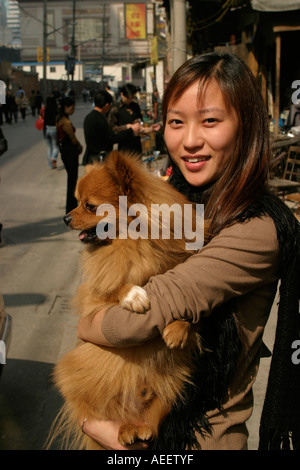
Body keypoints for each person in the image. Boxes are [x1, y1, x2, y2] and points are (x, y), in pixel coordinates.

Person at [76, 53, 300, 450]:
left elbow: (136, 322)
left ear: (245, 127)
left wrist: (87, 323)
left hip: (198, 439)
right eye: (177, 122)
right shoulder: (176, 203)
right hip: (135, 423)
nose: (190, 139)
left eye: (210, 121)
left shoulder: (258, 228)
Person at [82, 90, 141, 165]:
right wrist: (130, 130)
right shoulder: (100, 119)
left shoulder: (89, 117)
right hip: (100, 160)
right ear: (107, 105)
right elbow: (113, 138)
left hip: (90, 158)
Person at [109, 83, 160, 155]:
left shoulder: (135, 106)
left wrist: (150, 129)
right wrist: (129, 126)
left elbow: (140, 125)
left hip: (136, 145)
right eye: (128, 98)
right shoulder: (116, 109)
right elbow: (113, 128)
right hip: (124, 146)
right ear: (122, 95)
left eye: (132, 97)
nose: (130, 100)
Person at [56, 97, 83, 213]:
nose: (73, 110)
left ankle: (71, 206)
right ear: (67, 107)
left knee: (71, 181)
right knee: (72, 181)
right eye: (72, 107)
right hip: (70, 153)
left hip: (65, 153)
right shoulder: (66, 122)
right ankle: (71, 207)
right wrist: (80, 146)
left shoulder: (60, 119)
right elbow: (73, 138)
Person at [43, 95, 59, 169]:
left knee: (49, 148)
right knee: (56, 146)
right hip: (54, 129)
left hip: (47, 129)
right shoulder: (56, 110)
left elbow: (44, 121)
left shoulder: (46, 110)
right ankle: (53, 157)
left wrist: (44, 131)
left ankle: (51, 165)